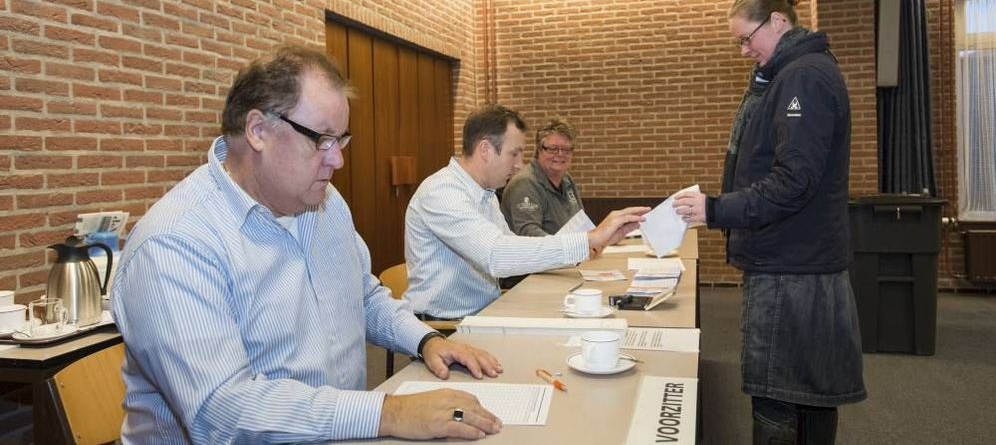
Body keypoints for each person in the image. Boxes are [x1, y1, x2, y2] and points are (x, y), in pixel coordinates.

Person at [112, 45, 504, 443]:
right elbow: (224, 412)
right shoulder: (175, 243)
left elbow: (363, 296)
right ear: (258, 131)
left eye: (341, 140)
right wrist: (388, 412)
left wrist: (425, 339)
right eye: (322, 139)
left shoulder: (324, 204)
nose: (337, 161)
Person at [674, 0, 866, 444]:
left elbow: (793, 182)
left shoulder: (803, 76)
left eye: (747, 38)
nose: (743, 50)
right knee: (808, 394)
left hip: (791, 268)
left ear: (778, 21)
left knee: (777, 397)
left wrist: (715, 209)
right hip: (797, 260)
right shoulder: (793, 73)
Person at [404, 105, 647, 320]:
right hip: (446, 326)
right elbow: (497, 256)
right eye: (514, 153)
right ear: (485, 149)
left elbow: (513, 244)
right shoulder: (442, 193)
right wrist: (589, 239)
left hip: (486, 311)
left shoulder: (485, 193)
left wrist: (590, 242)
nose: (520, 164)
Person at [501, 118, 584, 237]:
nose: (560, 154)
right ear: (539, 149)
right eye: (553, 149)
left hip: (573, 254)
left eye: (566, 149)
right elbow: (529, 234)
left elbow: (580, 222)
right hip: (535, 255)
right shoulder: (525, 184)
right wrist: (571, 246)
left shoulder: (567, 180)